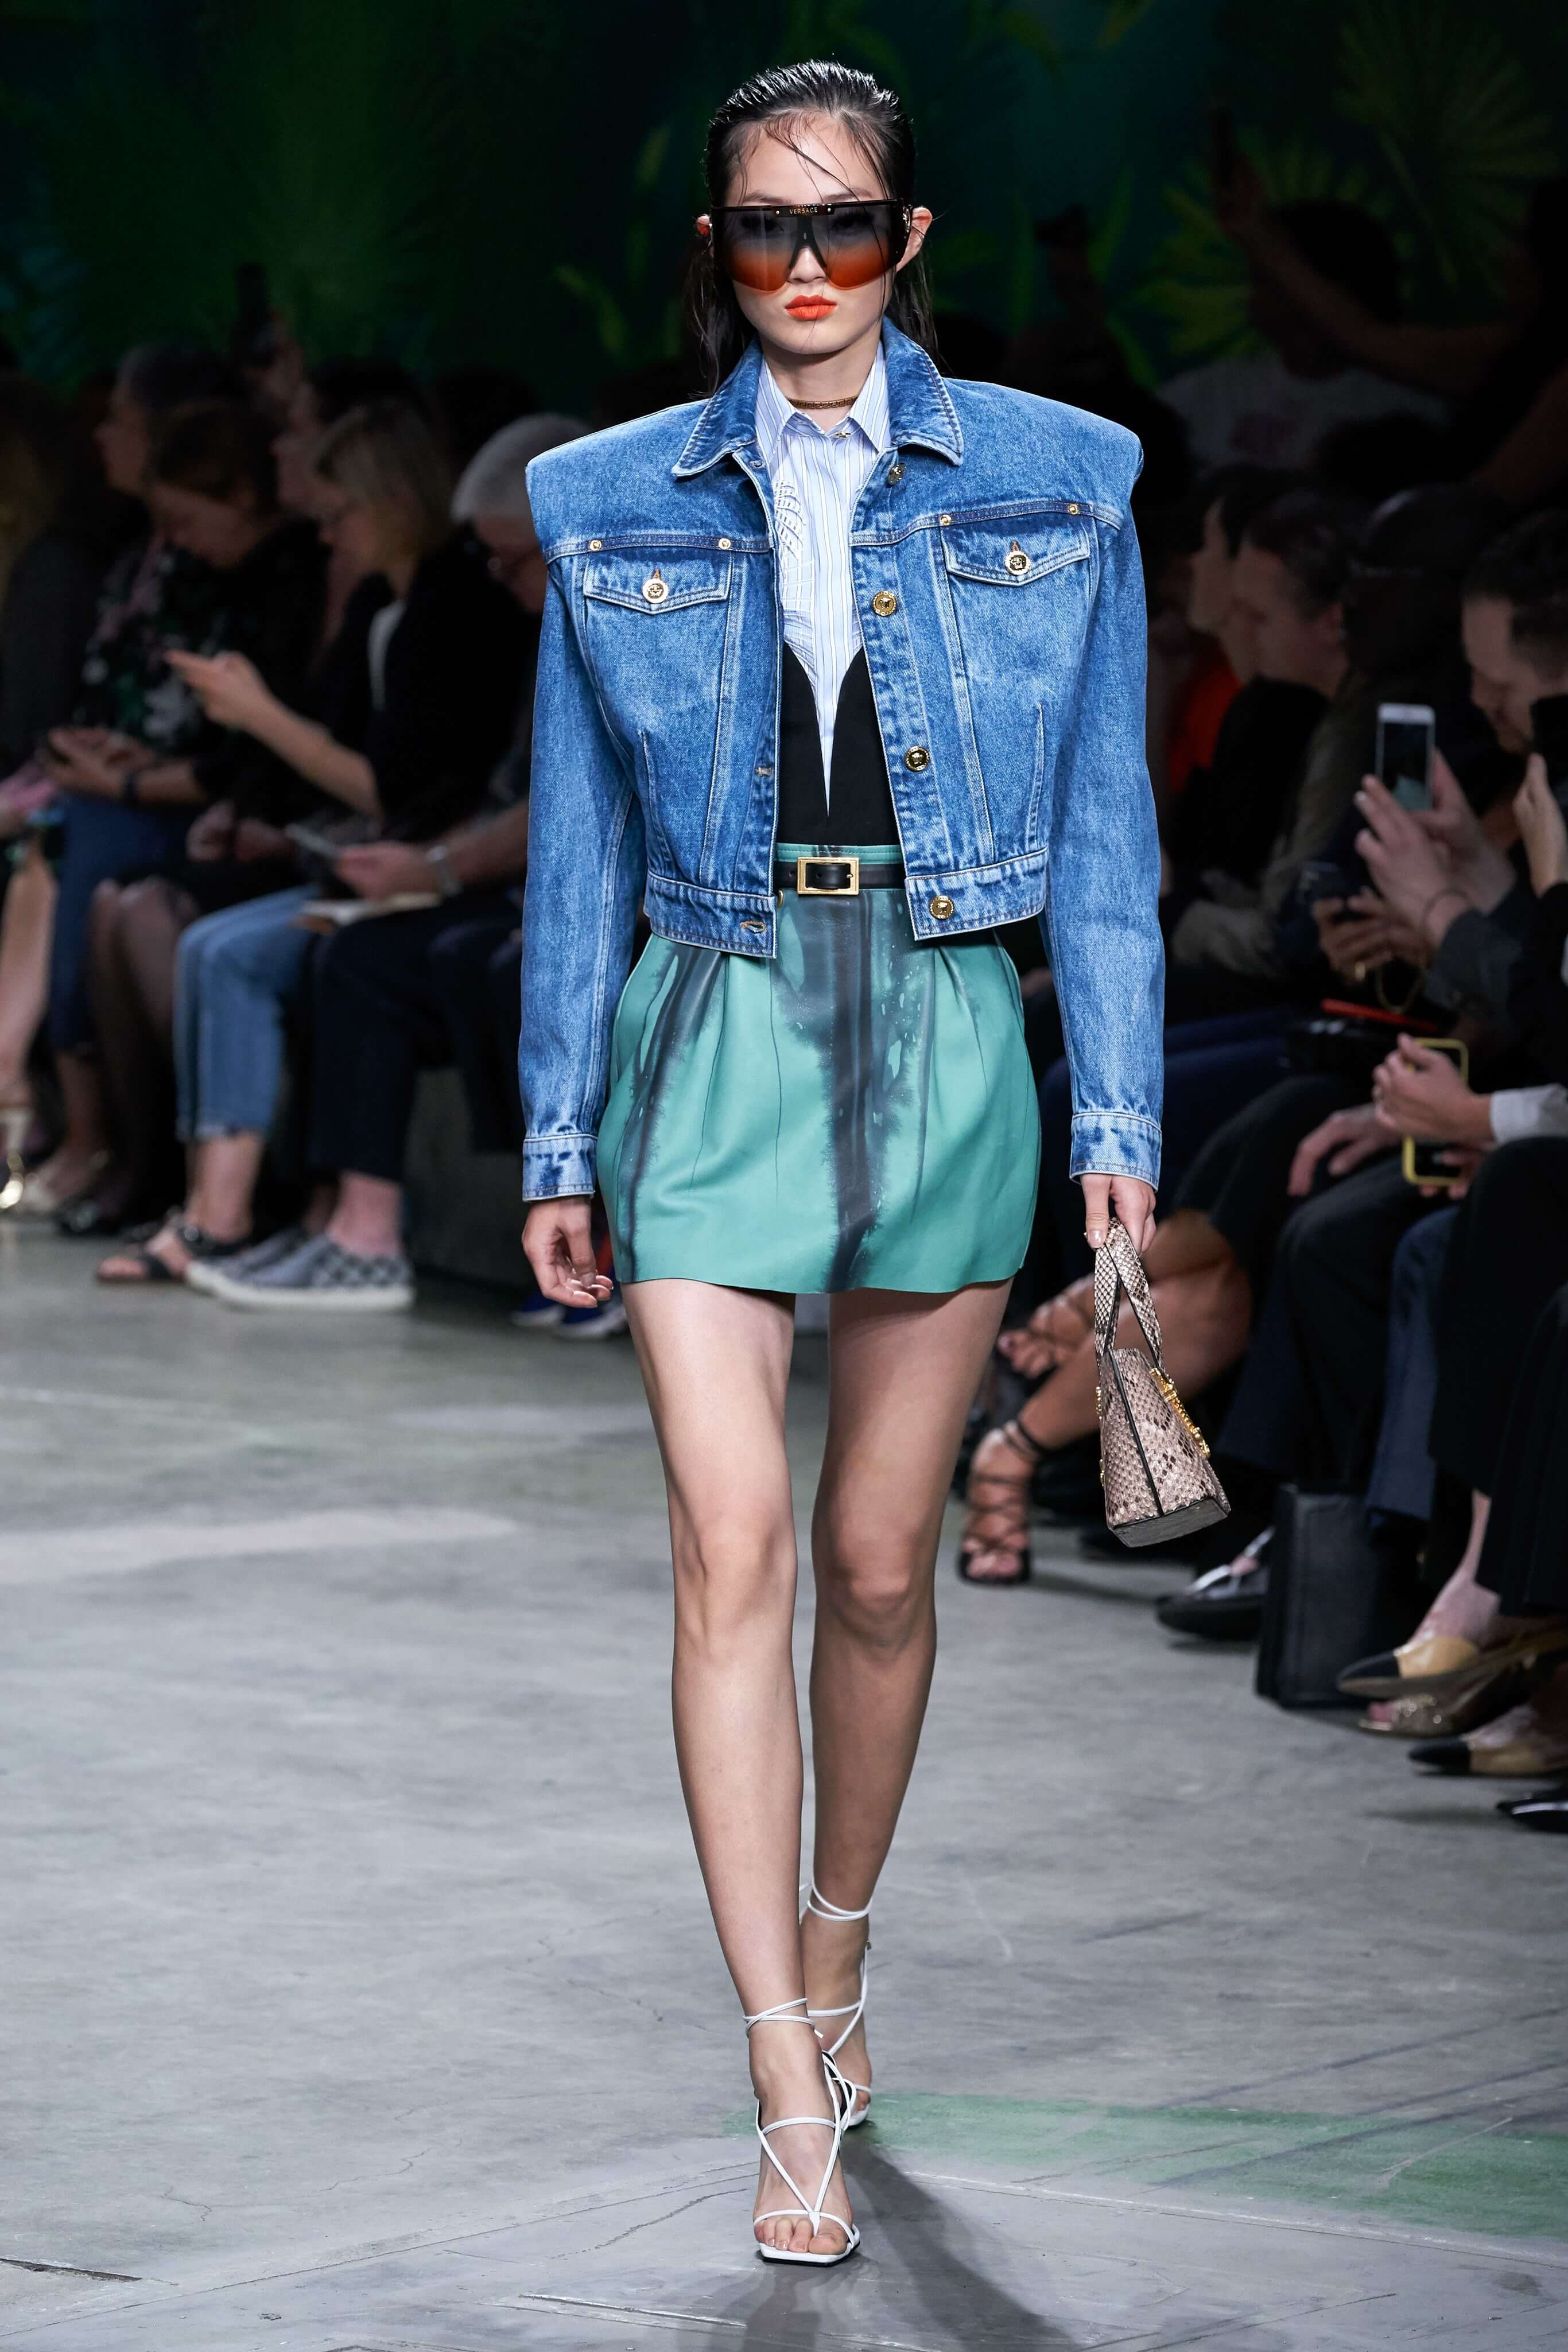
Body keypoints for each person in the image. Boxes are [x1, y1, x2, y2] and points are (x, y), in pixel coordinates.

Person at [518, 62, 1163, 2265]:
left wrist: (1118, 1120)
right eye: (765, 227)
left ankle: (842, 1936)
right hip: (708, 1014)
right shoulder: (604, 497)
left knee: (882, 1561)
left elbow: (1107, 837)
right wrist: (556, 1123)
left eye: (848, 224)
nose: (807, 265)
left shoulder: (1069, 477)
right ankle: (785, 2072)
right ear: (716, 248)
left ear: (911, 239)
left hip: (945, 1015)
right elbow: (576, 848)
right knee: (735, 1544)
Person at [95, 397, 526, 1287]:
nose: (325, 535)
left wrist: (259, 716)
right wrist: (261, 810)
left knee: (237, 953)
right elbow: (343, 764)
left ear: (392, 499)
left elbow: (393, 784)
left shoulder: (455, 611)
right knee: (210, 943)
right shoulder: (377, 604)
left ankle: (232, 1214)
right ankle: (228, 1207)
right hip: (369, 859)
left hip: (427, 870)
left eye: (338, 514)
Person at [199, 413, 589, 1313]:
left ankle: (359, 1230)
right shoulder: (465, 616)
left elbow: (556, 805)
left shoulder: (545, 620)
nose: (500, 579)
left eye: (514, 560)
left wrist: (438, 869)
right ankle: (346, 1224)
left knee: (414, 961)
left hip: (565, 897)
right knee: (353, 957)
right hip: (494, 878)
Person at [1213, 171, 1568, 509]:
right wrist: (1258, 233)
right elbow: (1361, 335)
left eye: (1521, 241)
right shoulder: (1513, 352)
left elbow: (1487, 501)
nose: (1504, 255)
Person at [1159, 200, 1445, 473]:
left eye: (1272, 274)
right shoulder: (1203, 395)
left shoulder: (1413, 409)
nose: (1255, 292)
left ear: (1338, 287)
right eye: (1260, 275)